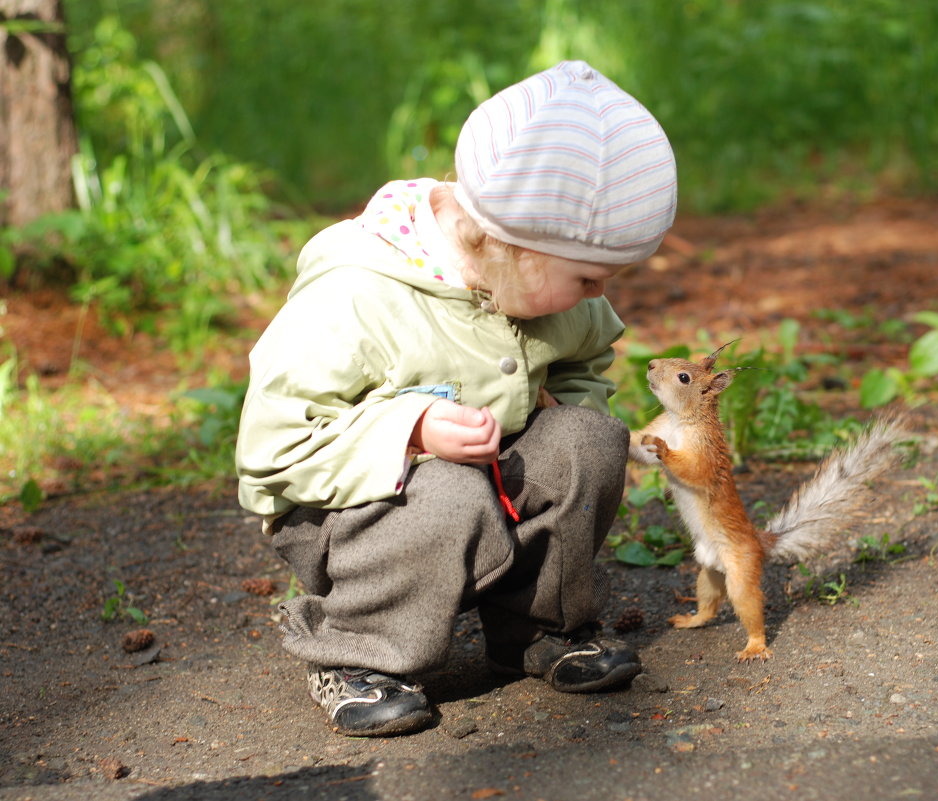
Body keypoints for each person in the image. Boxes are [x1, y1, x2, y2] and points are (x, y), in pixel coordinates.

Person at [234, 61, 677, 737]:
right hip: (346, 511)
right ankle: (357, 653)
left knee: (586, 439)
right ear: (506, 244)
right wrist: (407, 429)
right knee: (447, 493)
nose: (598, 294)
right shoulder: (356, 295)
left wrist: (562, 399)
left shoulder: (549, 286)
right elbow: (274, 448)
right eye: (587, 276)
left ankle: (539, 627)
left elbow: (585, 363)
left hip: (483, 486)